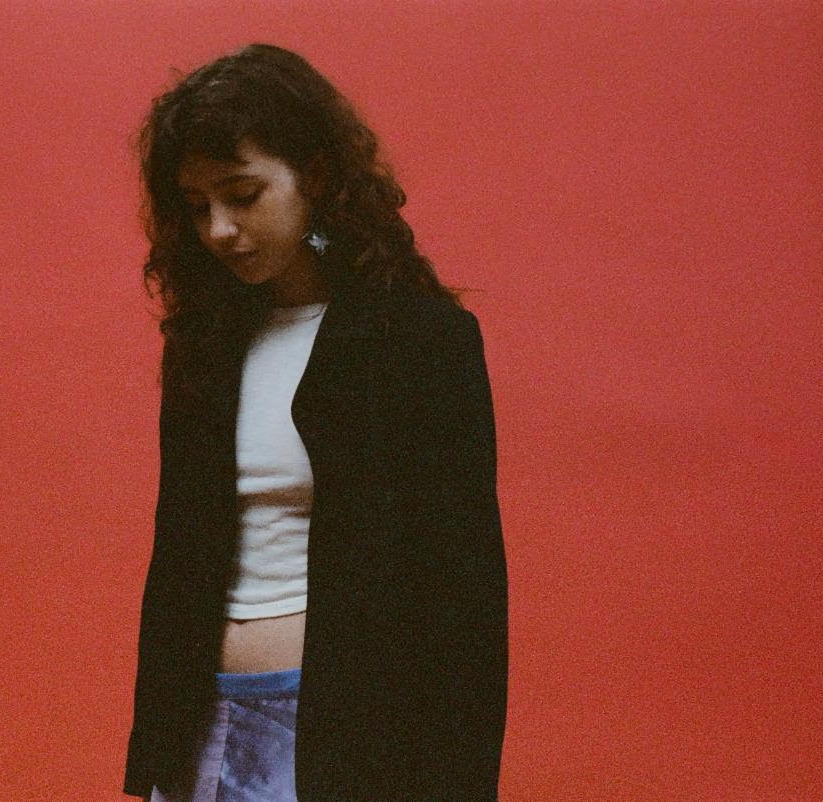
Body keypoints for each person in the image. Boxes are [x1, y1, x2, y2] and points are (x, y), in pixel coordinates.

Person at [124, 43, 508, 801]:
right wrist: (158, 757)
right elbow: (177, 559)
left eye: (242, 195)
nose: (219, 229)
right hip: (200, 728)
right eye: (197, 207)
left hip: (348, 736)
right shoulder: (207, 344)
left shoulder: (418, 340)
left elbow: (463, 596)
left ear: (319, 176)